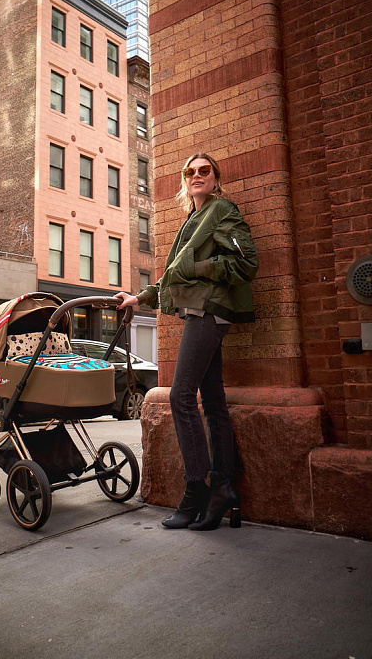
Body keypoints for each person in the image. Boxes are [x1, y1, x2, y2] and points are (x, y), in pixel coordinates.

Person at [116, 153, 258, 531]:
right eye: (190, 172)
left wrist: (197, 268)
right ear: (184, 179)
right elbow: (171, 277)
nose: (197, 175)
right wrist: (138, 298)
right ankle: (224, 488)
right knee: (212, 402)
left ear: (215, 178)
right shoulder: (193, 219)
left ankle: (195, 490)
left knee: (180, 396)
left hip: (210, 310)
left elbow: (245, 262)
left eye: (204, 171)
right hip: (200, 311)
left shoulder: (221, 210)